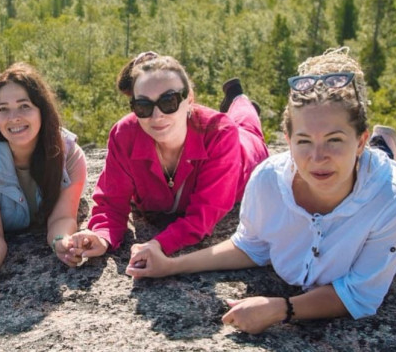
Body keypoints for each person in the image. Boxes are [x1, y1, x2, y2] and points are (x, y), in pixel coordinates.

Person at [125, 48, 396, 334]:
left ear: (358, 138)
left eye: (335, 140)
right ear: (287, 140)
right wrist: (171, 266)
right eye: (304, 141)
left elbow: (359, 295)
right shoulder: (268, 181)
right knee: (360, 161)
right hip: (363, 160)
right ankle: (385, 147)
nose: (317, 157)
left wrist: (281, 309)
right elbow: (251, 245)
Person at [69, 52, 269, 263]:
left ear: (189, 98)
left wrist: (158, 244)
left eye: (169, 101)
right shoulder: (124, 135)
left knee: (246, 124)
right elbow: (111, 203)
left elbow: (203, 216)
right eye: (144, 106)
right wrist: (101, 236)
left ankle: (238, 99)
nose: (157, 116)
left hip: (245, 150)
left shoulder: (220, 133)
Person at [0, 63, 88, 275]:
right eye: (3, 109)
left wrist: (61, 242)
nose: (14, 117)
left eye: (24, 106)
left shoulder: (69, 155)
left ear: (42, 110)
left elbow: (62, 218)